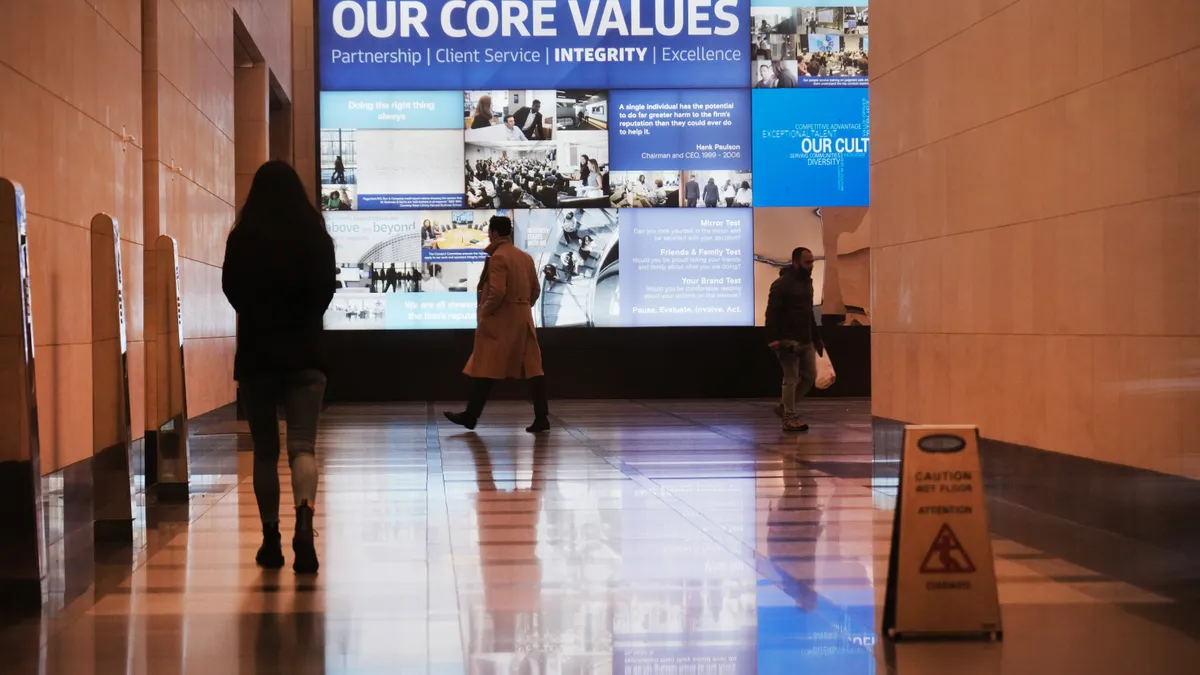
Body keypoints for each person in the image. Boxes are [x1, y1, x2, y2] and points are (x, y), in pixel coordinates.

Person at [221, 160, 336, 574]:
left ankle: (271, 540)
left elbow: (230, 289)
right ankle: (304, 521)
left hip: (257, 357)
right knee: (302, 446)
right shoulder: (315, 236)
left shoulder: (243, 237)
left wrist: (257, 318)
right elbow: (326, 290)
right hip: (306, 354)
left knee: (266, 451)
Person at [445, 215, 550, 433]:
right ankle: (542, 417)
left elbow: (497, 292)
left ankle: (471, 416)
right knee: (533, 369)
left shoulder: (498, 258)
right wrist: (523, 306)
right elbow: (536, 290)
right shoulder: (526, 257)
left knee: (485, 366)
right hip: (524, 319)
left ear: (493, 233)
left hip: (501, 321)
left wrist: (484, 312)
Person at [764, 247, 825, 432]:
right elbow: (772, 313)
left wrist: (816, 338)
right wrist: (773, 338)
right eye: (808, 262)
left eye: (812, 261)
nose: (811, 265)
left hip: (805, 338)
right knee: (790, 377)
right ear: (796, 262)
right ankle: (789, 417)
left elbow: (808, 314)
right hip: (787, 340)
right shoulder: (781, 284)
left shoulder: (807, 283)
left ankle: (784, 407)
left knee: (809, 377)